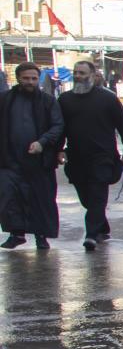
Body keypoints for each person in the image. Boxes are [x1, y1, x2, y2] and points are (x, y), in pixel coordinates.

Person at [55, 59, 123, 251]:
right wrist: (59, 149)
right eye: (76, 72)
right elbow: (60, 128)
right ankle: (102, 227)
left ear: (92, 76)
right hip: (76, 157)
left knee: (98, 196)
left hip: (103, 156)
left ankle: (91, 235)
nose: (78, 76)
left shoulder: (107, 99)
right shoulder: (65, 100)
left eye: (82, 73)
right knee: (87, 199)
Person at [1, 62, 64, 250]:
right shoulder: (5, 99)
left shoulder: (47, 101)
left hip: (39, 160)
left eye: (34, 78)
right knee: (10, 197)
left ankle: (41, 236)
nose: (30, 82)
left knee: (40, 198)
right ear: (18, 78)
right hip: (9, 159)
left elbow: (58, 126)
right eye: (26, 78)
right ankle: (16, 234)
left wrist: (42, 142)